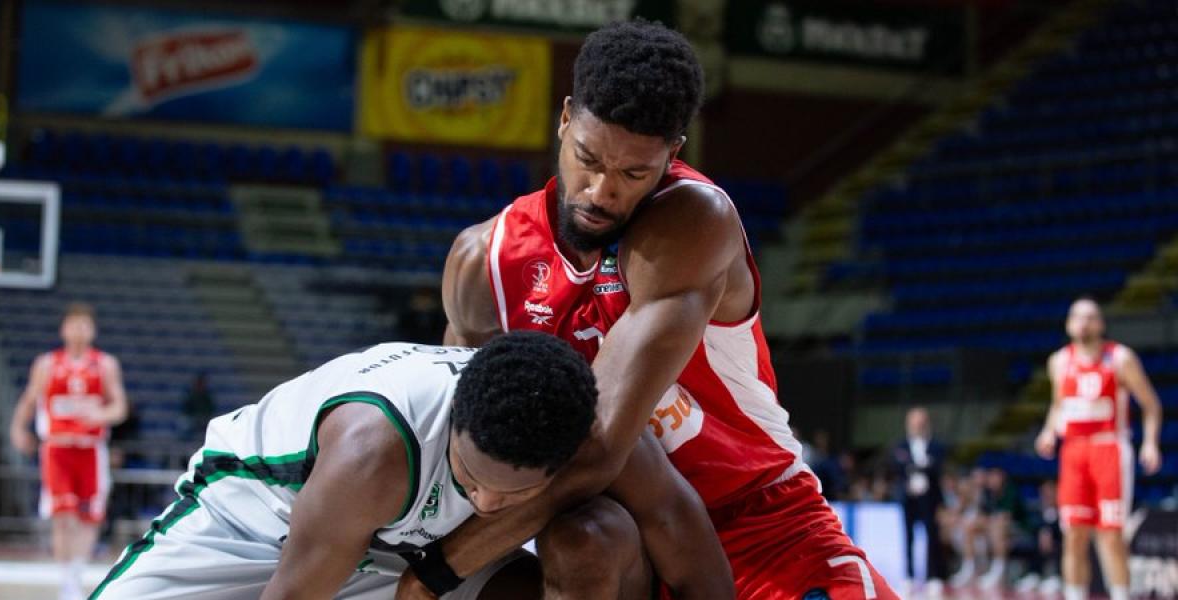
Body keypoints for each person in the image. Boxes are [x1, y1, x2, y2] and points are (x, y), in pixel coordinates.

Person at [432, 19, 895, 600]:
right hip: (617, 542)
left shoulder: (692, 222)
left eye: (633, 173)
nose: (602, 190)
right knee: (583, 540)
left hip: (758, 524)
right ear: (566, 116)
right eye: (589, 159)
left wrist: (434, 574)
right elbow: (468, 455)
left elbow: (599, 448)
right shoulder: (484, 263)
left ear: (672, 154)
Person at [90, 332, 732, 599]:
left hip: (406, 554)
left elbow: (680, 527)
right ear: (454, 424)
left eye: (512, 497)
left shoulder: (590, 435)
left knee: (600, 538)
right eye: (472, 480)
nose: (483, 505)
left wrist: (440, 567)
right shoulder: (371, 453)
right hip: (254, 529)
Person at [1034, 296, 1163, 600]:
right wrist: (1048, 431)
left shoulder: (1119, 358)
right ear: (1068, 325)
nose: (1083, 322)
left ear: (1101, 324)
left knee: (1110, 534)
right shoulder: (1059, 361)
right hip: (1073, 451)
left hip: (1110, 449)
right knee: (1074, 535)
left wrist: (1151, 443)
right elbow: (1058, 406)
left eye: (1090, 316)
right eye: (1077, 316)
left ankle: (1120, 595)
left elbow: (1151, 404)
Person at [8, 302, 129, 600]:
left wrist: (101, 415)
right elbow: (28, 399)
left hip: (90, 449)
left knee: (89, 516)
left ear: (93, 330)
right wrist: (17, 428)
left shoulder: (105, 364)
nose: (78, 330)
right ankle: (66, 582)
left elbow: (119, 406)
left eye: (84, 324)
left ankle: (75, 575)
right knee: (63, 515)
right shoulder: (47, 364)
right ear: (63, 329)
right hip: (58, 448)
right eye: (73, 324)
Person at [892, 407, 947, 595]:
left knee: (932, 537)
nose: (918, 426)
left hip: (929, 498)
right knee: (908, 537)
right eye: (915, 422)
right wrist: (921, 466)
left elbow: (936, 468)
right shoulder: (900, 445)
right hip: (908, 498)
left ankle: (933, 577)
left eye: (921, 422)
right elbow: (898, 467)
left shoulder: (936, 446)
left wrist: (915, 467)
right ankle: (909, 576)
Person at [1015, 480, 1063, 595]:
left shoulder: (1062, 508)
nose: (1047, 496)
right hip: (1042, 542)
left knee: (1056, 544)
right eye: (1044, 493)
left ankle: (1057, 577)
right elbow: (1034, 526)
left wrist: (1050, 533)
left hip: (1059, 540)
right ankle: (1034, 575)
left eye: (1050, 492)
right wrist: (1044, 533)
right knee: (1036, 542)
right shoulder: (1039, 509)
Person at [182, 371, 214, 441]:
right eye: (198, 384)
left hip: (204, 419)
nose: (200, 386)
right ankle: (185, 441)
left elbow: (210, 410)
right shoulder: (190, 396)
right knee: (184, 423)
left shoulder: (207, 397)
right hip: (191, 419)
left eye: (202, 384)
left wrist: (203, 417)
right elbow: (185, 410)